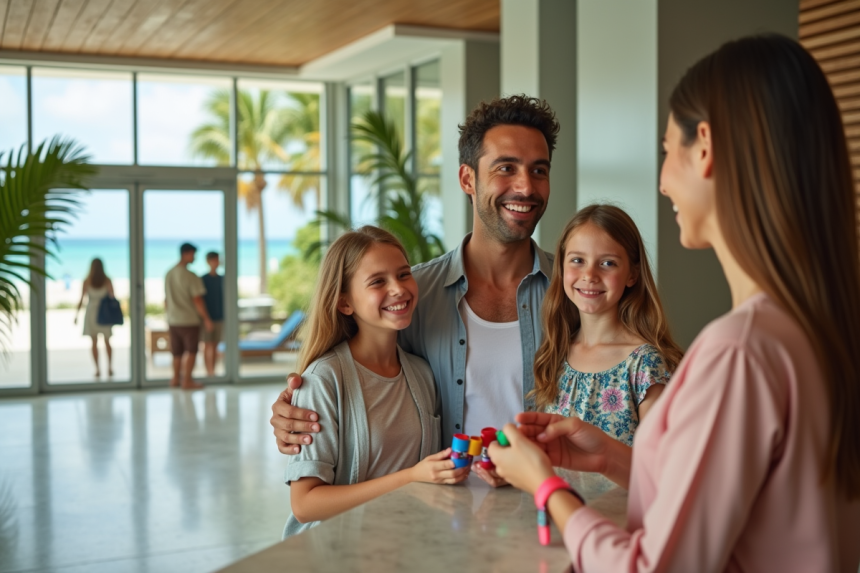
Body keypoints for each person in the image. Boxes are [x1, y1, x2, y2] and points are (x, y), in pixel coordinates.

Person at [488, 35, 860, 572]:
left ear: (704, 147)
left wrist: (545, 487)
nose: (662, 183)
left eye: (667, 151)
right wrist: (610, 457)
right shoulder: (813, 331)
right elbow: (736, 505)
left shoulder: (739, 352)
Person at [270, 95, 560, 488]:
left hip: (547, 508)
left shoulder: (574, 292)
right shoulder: (413, 294)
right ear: (467, 179)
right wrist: (293, 411)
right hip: (440, 520)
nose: (525, 186)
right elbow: (351, 366)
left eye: (538, 170)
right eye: (506, 168)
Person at [283, 226, 467, 539]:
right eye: (378, 281)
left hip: (402, 548)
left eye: (404, 274)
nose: (398, 289)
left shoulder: (422, 374)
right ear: (345, 303)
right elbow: (305, 504)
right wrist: (411, 478)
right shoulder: (323, 380)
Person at [532, 204, 683, 445]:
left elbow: (658, 466)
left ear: (632, 274)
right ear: (561, 267)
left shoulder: (646, 365)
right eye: (578, 260)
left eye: (608, 263)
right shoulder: (555, 354)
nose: (589, 275)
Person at [165, 242, 212, 390]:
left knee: (177, 352)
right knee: (191, 351)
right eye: (193, 254)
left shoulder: (169, 273)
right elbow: (197, 300)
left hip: (173, 320)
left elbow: (166, 300)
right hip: (189, 320)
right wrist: (206, 319)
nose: (195, 258)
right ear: (186, 253)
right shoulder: (190, 276)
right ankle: (187, 380)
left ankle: (175, 379)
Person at [74, 258, 115, 378]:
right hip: (105, 312)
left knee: (94, 342)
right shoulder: (107, 280)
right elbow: (112, 297)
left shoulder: (87, 280)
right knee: (107, 341)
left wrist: (76, 314)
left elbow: (82, 299)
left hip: (91, 312)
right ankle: (109, 367)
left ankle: (97, 369)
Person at [200, 251, 224, 377]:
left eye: (217, 259)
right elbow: (200, 301)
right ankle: (207, 371)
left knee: (215, 345)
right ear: (208, 262)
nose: (216, 262)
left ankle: (212, 371)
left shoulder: (222, 279)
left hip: (220, 317)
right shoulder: (203, 279)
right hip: (207, 318)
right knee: (207, 344)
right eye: (213, 260)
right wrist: (206, 319)